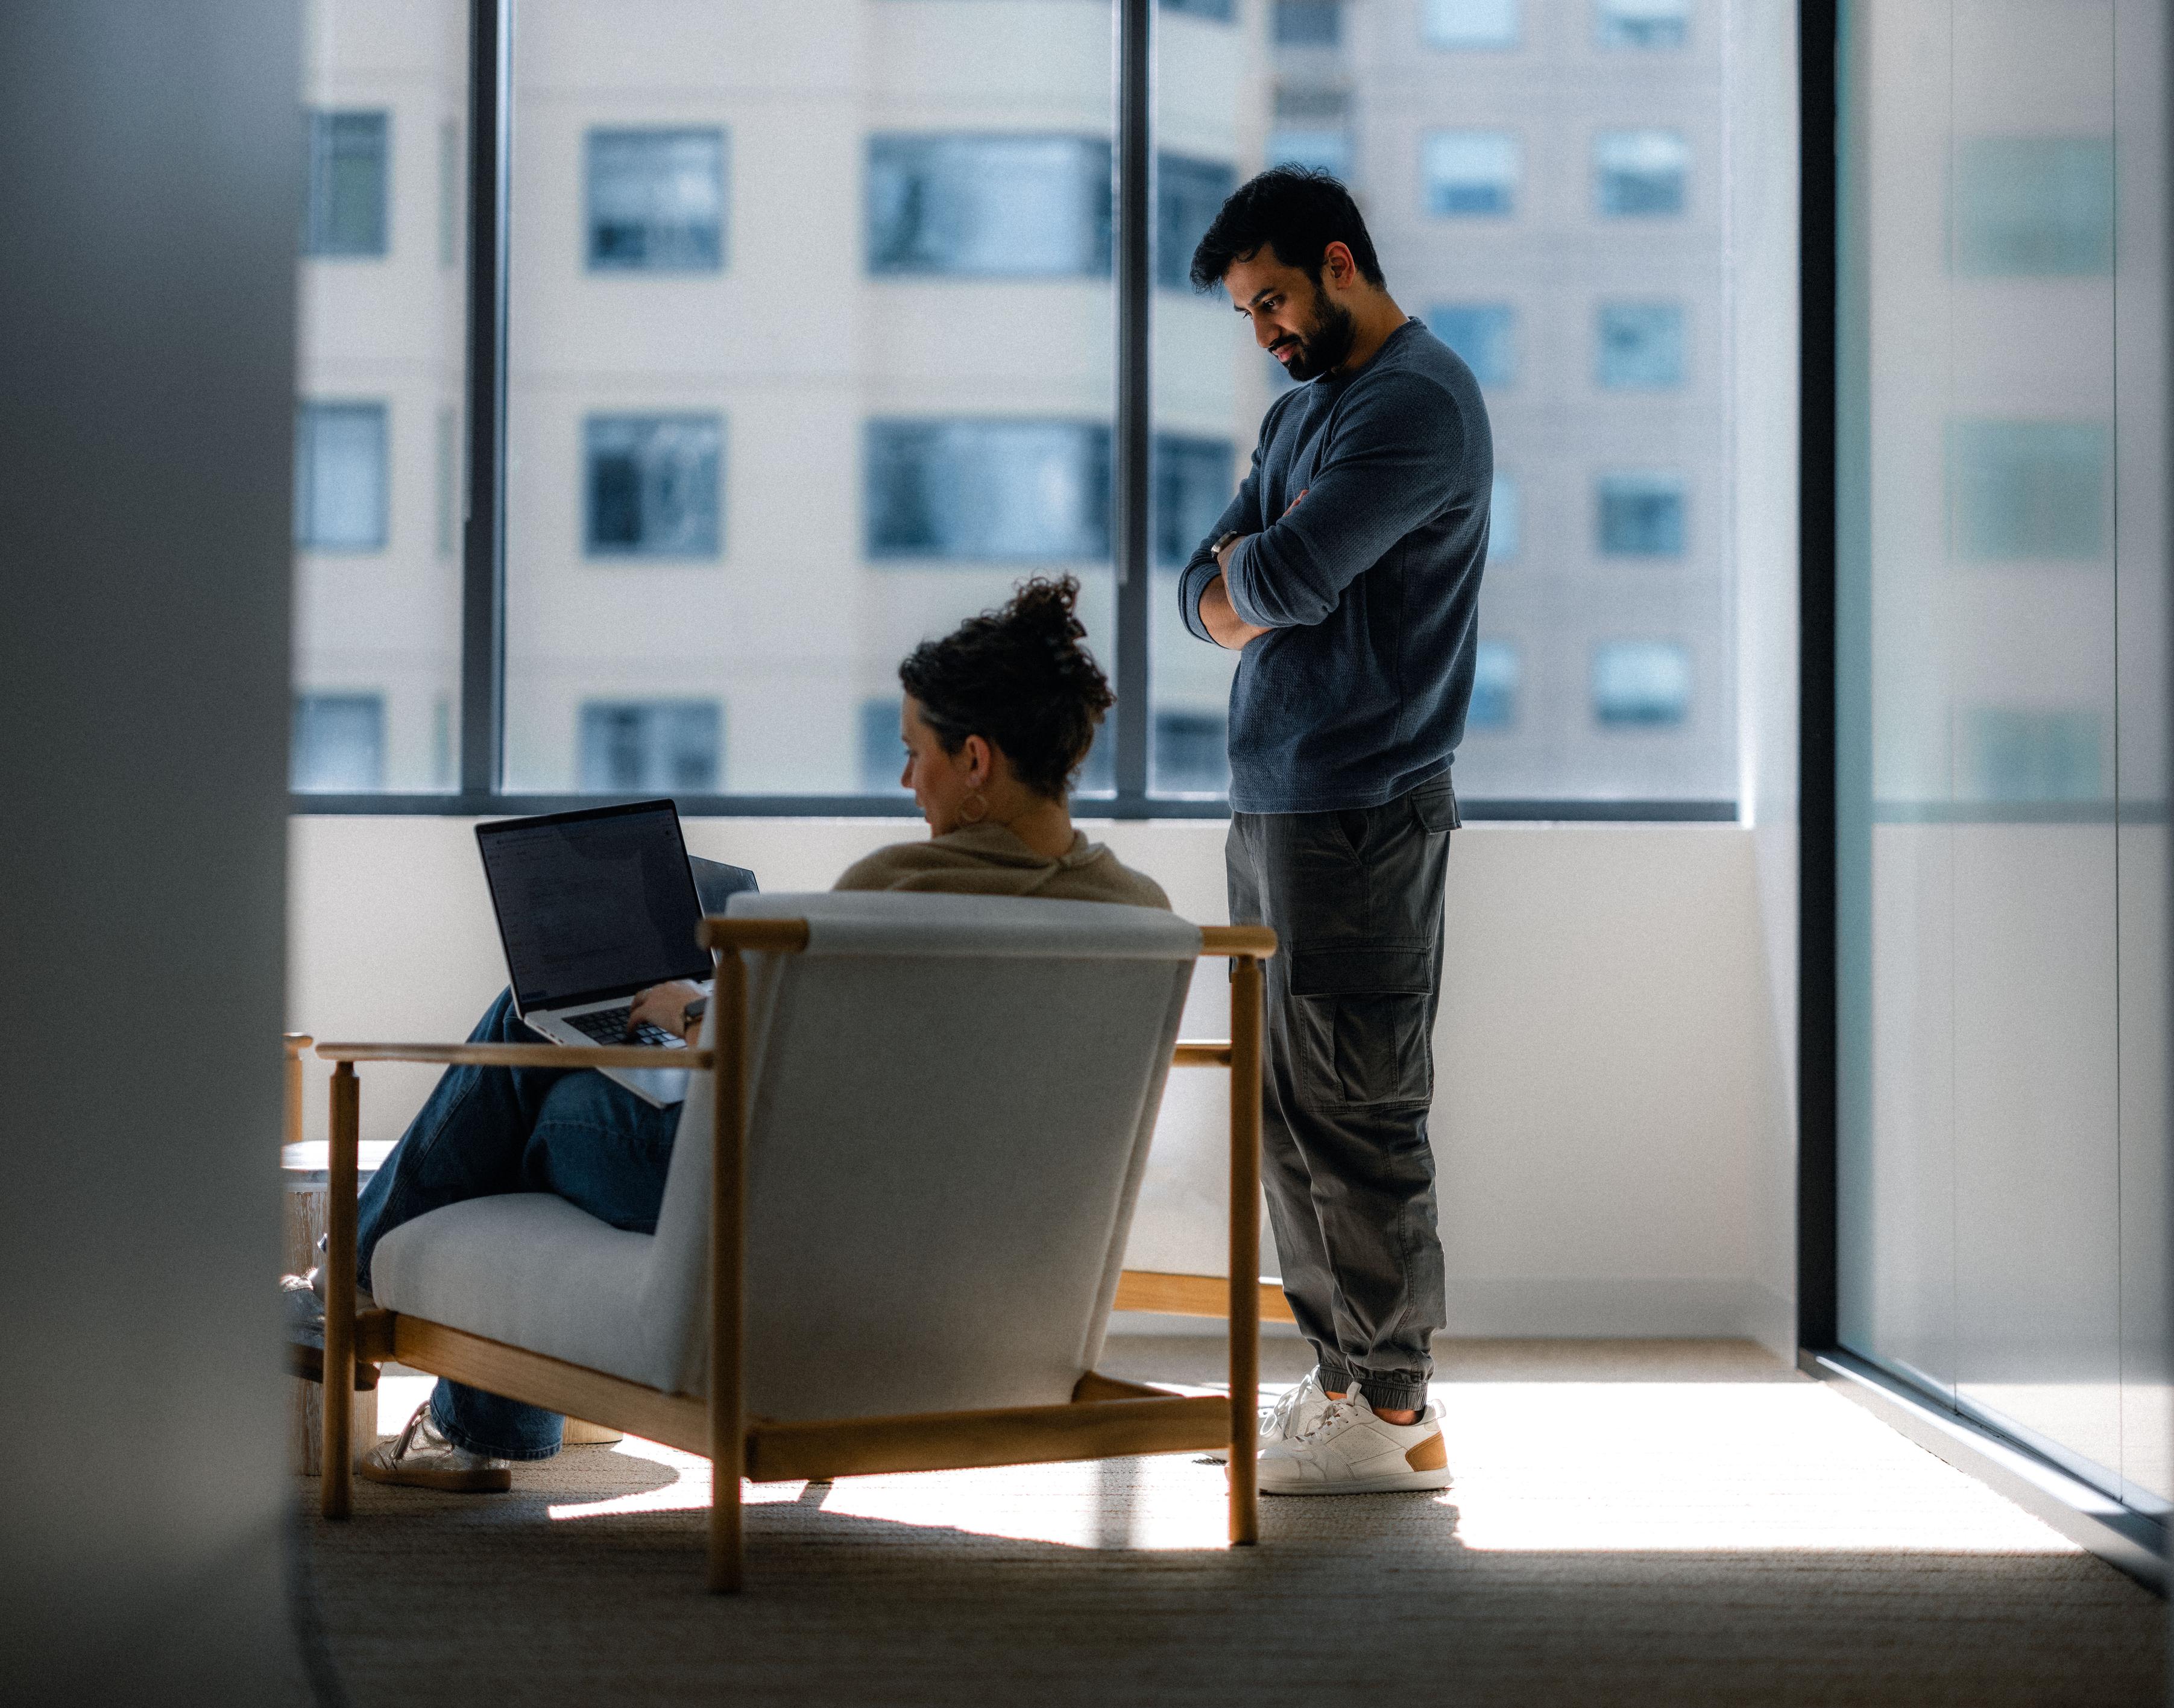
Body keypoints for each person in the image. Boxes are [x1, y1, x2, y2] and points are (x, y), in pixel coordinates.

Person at [285, 578, 1165, 1492]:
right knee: (566, 1073)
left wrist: (693, 1009)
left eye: (916, 754)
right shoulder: (1140, 915)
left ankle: (348, 1290)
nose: (908, 782)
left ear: (976, 759)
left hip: (773, 1218)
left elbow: (782, 1072)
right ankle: (457, 1417)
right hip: (978, 1254)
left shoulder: (899, 895)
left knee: (540, 1056)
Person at [1177, 167, 1491, 1495]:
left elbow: (1285, 576)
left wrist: (1260, 574)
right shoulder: (1304, 410)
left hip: (1363, 807)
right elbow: (1200, 587)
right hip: (1278, 804)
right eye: (1251, 314)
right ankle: (1345, 1377)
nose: (1267, 333)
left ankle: (1401, 1408)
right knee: (1291, 1114)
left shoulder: (1414, 404)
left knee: (1360, 1105)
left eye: (1275, 302)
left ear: (1341, 263)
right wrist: (1250, 578)